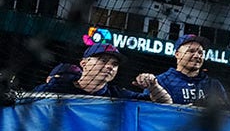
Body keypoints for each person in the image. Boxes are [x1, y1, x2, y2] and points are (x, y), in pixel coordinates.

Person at [34, 44, 171, 103]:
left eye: (114, 64)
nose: (109, 67)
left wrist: (154, 85)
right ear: (84, 63)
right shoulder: (58, 87)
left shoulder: (117, 95)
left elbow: (165, 103)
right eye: (103, 60)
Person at [154, 34, 230, 107]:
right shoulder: (161, 81)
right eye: (191, 51)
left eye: (200, 52)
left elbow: (229, 115)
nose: (197, 56)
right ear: (177, 54)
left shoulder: (213, 85)